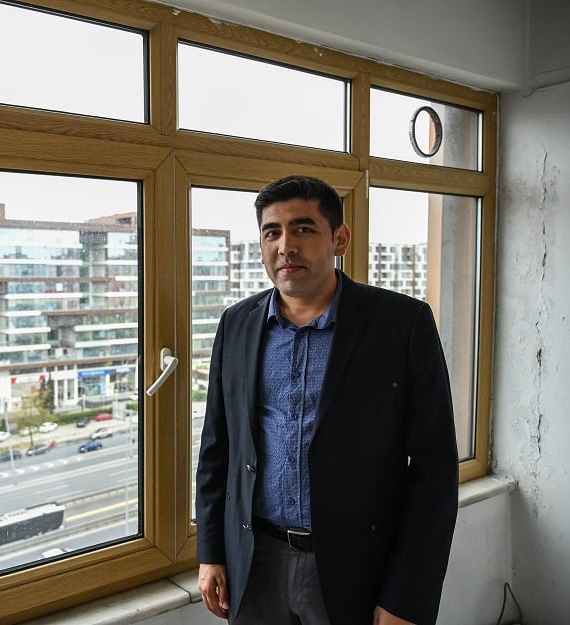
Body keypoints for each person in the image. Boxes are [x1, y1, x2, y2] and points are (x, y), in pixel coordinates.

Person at [195, 175, 458, 625]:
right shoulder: (235, 324)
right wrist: (212, 551)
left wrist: (407, 596)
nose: (285, 246)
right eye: (271, 232)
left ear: (340, 239)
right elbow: (218, 448)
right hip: (255, 560)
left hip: (355, 564)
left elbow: (435, 471)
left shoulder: (401, 324)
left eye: (303, 228)